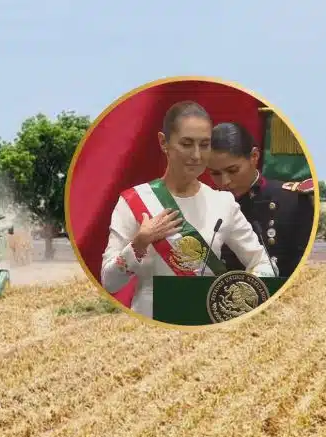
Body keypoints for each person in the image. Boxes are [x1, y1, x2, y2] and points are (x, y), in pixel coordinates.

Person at [100, 101, 276, 319]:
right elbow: (109, 283)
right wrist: (139, 243)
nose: (196, 155)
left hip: (207, 324)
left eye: (204, 145)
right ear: (164, 142)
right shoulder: (134, 201)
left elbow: (262, 263)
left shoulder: (223, 203)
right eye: (186, 144)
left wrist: (239, 300)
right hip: (149, 322)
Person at [208, 122, 315, 278]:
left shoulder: (292, 200)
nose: (225, 181)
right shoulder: (207, 204)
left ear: (254, 156)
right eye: (215, 173)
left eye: (233, 170)